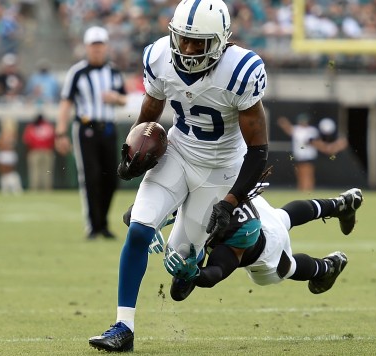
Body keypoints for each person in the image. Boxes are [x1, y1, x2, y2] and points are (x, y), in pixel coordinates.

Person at [88, 0, 269, 352]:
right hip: (178, 151)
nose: (187, 49)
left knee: (180, 265)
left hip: (220, 169)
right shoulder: (158, 56)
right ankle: (123, 326)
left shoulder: (241, 71)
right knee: (139, 228)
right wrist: (133, 152)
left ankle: (189, 251)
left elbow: (259, 150)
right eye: (183, 39)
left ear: (220, 41)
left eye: (197, 42)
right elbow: (151, 110)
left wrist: (231, 202)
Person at [129, 185, 363, 301]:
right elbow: (135, 212)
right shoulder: (198, 195)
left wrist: (194, 274)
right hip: (240, 200)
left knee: (281, 269)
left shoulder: (230, 243)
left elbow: (216, 272)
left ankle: (328, 267)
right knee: (282, 216)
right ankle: (340, 204)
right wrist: (145, 219)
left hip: (265, 245)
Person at [55, 26, 127, 239]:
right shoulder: (77, 72)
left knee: (110, 179)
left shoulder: (113, 71)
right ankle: (93, 225)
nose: (97, 49)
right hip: (86, 128)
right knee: (91, 176)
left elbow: (125, 99)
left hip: (108, 128)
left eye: (100, 45)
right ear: (87, 48)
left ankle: (103, 222)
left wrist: (116, 98)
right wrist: (60, 132)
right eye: (93, 45)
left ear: (106, 47)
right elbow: (66, 102)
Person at [277, 113, 320, 192]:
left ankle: (309, 189)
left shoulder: (311, 130)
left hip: (308, 155)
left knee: (308, 173)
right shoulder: (296, 129)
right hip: (300, 155)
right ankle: (302, 188)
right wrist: (283, 122)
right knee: (300, 173)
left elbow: (312, 141)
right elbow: (288, 129)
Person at [22, 113, 55, 191]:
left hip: (34, 151)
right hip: (47, 151)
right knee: (47, 172)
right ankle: (47, 190)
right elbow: (54, 139)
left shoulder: (31, 127)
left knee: (35, 172)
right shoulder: (49, 127)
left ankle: (34, 190)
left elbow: (26, 140)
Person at [0, 117, 23, 195]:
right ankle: (5, 188)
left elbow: (10, 145)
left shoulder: (13, 134)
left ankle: (15, 187)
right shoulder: (2, 134)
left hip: (9, 155)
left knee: (10, 172)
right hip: (3, 154)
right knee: (3, 172)